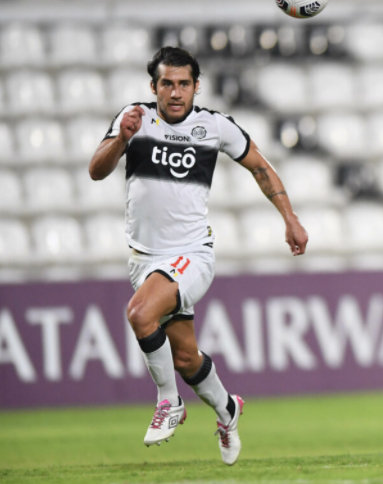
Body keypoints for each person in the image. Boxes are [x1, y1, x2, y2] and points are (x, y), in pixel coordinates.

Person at [89, 47, 308, 465]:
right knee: (187, 357)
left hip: (192, 253)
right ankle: (227, 409)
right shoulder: (133, 118)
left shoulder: (214, 126)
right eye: (167, 84)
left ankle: (168, 402)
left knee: (139, 314)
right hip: (143, 259)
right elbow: (96, 171)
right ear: (153, 87)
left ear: (196, 86)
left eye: (183, 84)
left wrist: (290, 218)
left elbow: (261, 167)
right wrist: (122, 139)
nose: (175, 92)